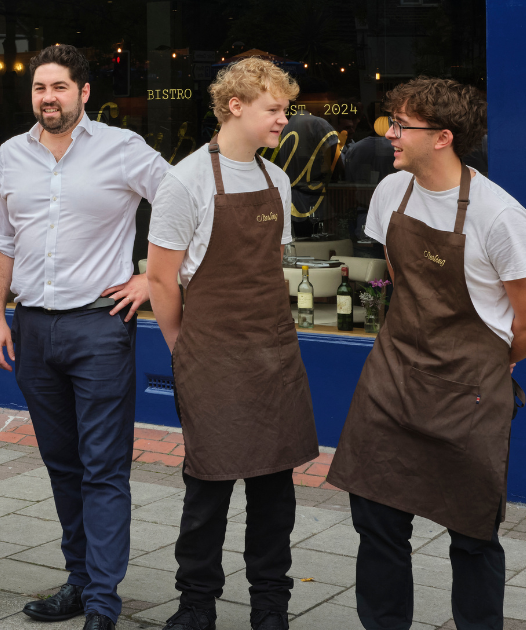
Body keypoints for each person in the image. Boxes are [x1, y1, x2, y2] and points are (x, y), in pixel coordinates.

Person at [327, 77, 526, 630]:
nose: (388, 134)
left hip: (467, 392)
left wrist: (491, 361)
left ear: (442, 137)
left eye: (400, 125)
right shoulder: (392, 192)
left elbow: (525, 319)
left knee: (473, 534)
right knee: (376, 521)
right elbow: (400, 278)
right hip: (392, 379)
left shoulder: (499, 216)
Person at [0, 44, 171, 630]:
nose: (48, 98)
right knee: (62, 464)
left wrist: (151, 278)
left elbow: (184, 205)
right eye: (40, 87)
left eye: (60, 87)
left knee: (103, 466)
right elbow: (0, 239)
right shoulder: (12, 153)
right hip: (33, 328)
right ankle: (79, 579)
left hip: (99, 327)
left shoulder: (123, 148)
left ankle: (102, 602)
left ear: (84, 92)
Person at [147, 58, 317, 630]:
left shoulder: (277, 181)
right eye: (275, 109)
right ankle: (196, 604)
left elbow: (270, 268)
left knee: (275, 493)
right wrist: (183, 347)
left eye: (285, 109)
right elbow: (161, 280)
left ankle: (271, 606)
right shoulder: (186, 181)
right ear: (235, 107)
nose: (284, 119)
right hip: (212, 358)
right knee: (208, 489)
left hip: (274, 357)